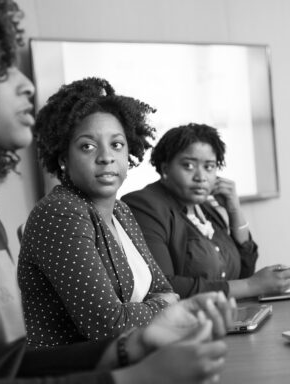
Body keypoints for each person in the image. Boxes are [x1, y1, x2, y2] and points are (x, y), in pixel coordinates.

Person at [0, 1, 236, 383]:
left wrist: (133, 347)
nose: (26, 85)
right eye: (0, 67)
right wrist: (133, 377)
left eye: (118, 145)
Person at [18, 77, 182, 348]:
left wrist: (159, 304)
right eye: (87, 146)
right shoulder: (60, 212)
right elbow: (106, 325)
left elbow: (163, 288)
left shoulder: (121, 211)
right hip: (73, 373)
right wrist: (161, 307)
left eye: (116, 144)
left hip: (131, 360)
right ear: (63, 159)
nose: (106, 157)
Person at [122, 123, 290, 299]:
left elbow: (243, 273)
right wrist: (252, 285)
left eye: (209, 166)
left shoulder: (206, 208)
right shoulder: (144, 205)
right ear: (166, 168)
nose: (201, 177)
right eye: (188, 166)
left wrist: (234, 210)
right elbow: (164, 286)